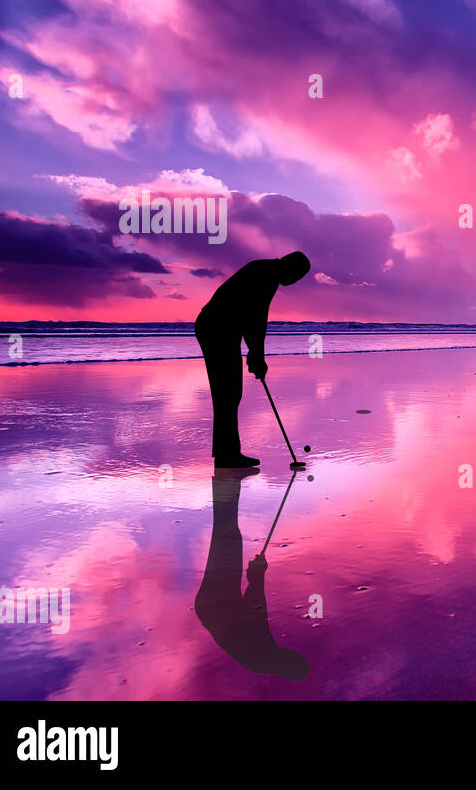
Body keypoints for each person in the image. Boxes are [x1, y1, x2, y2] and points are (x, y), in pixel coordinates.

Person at [194, 251, 310, 468]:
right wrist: (257, 355)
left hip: (224, 330)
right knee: (227, 392)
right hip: (216, 329)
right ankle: (227, 455)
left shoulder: (268, 273)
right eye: (297, 276)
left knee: (229, 392)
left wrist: (256, 354)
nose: (294, 281)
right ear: (289, 266)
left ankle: (227, 454)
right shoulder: (265, 274)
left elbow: (254, 319)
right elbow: (254, 319)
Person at [196, 468, 311, 681]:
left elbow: (255, 612)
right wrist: (256, 577)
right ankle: (227, 481)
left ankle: (226, 480)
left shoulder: (265, 657)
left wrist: (258, 577)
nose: (293, 651)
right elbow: (254, 612)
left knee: (227, 537)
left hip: (217, 605)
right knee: (227, 536)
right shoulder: (265, 661)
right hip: (216, 606)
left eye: (296, 657)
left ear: (291, 664)